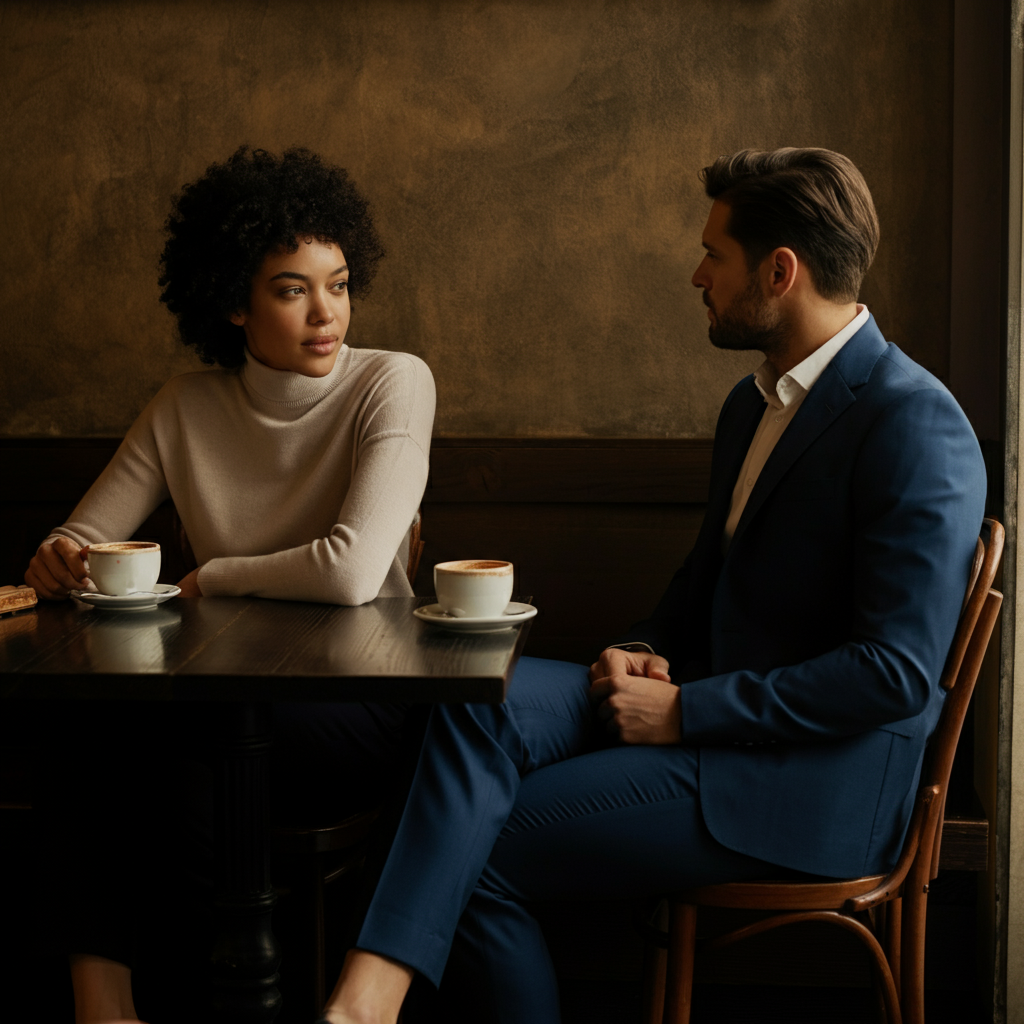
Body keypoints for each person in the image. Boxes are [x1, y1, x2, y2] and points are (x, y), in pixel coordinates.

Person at [313, 148, 987, 1024]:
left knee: (475, 850)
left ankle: (364, 1003)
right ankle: (366, 1001)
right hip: (709, 713)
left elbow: (892, 674)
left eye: (716, 253)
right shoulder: (752, 405)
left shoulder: (915, 421)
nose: (696, 273)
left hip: (807, 787)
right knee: (475, 695)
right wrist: (642, 651)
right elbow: (704, 582)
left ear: (780, 272)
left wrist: (687, 713)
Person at [25, 146, 435, 1024]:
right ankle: (104, 1008)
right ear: (231, 302)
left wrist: (213, 576)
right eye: (292, 289)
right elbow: (87, 533)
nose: (326, 314)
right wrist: (59, 554)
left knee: (142, 760)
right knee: (79, 716)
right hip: (217, 710)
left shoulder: (392, 381)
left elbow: (355, 568)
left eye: (339, 282)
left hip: (357, 710)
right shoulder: (184, 404)